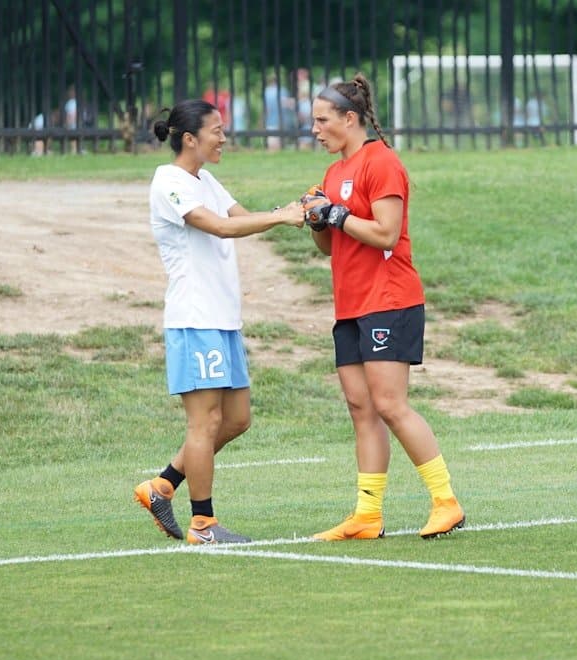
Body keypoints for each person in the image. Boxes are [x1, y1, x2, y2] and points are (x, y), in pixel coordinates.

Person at [301, 72, 465, 541]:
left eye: (322, 120)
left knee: (391, 404)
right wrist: (318, 217)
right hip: (351, 305)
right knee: (361, 407)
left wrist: (337, 214)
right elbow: (329, 250)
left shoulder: (381, 163)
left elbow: (386, 233)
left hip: (389, 301)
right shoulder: (334, 173)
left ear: (349, 119)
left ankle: (446, 502)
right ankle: (367, 516)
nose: (315, 129)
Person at [135, 99, 305, 544]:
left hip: (223, 320)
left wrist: (291, 211)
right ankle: (203, 524)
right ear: (189, 138)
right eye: (216, 130)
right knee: (204, 423)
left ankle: (163, 485)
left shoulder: (205, 178)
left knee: (237, 419)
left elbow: (241, 218)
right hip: (195, 319)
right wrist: (281, 217)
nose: (224, 137)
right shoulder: (169, 182)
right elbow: (219, 228)